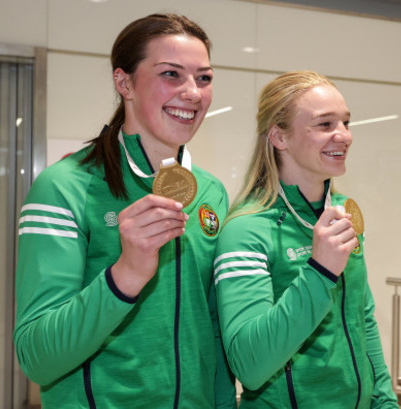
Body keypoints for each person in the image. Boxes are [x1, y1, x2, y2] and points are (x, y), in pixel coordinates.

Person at [13, 13, 236, 409]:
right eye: (171, 74)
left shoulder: (211, 192)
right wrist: (125, 274)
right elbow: (37, 357)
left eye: (204, 78)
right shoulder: (64, 187)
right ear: (124, 82)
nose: (193, 92)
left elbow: (213, 332)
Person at [214, 71, 399, 408]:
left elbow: (363, 318)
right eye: (325, 124)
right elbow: (250, 365)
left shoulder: (342, 213)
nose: (343, 136)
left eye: (345, 122)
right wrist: (319, 271)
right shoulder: (247, 229)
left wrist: (384, 401)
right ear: (279, 137)